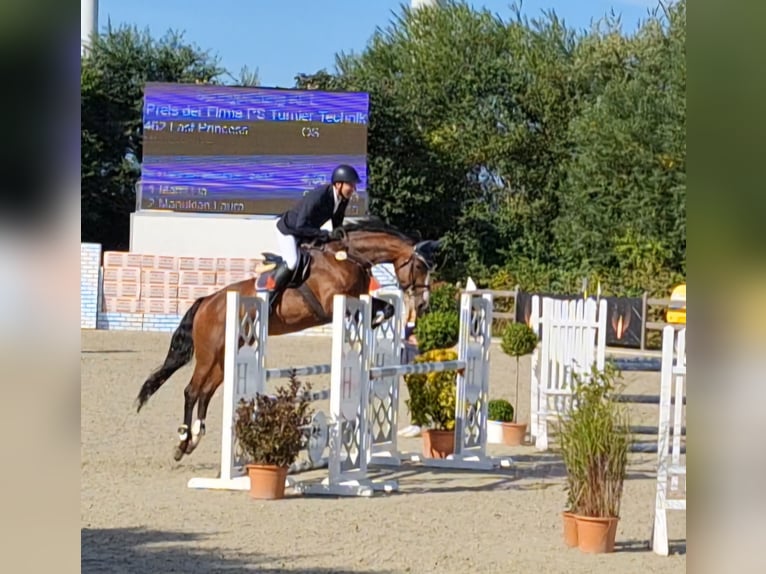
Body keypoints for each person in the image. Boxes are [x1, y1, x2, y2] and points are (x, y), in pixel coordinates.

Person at [270, 164, 360, 309]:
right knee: (292, 262)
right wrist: (325, 234)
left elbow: (337, 224)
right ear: (338, 184)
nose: (354, 189)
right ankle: (269, 298)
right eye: (351, 184)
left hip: (306, 232)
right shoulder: (320, 196)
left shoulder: (343, 199)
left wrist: (341, 240)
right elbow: (300, 226)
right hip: (289, 230)